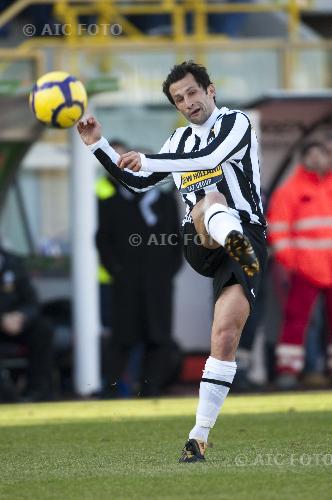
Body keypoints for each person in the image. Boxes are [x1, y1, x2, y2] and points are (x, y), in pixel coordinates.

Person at [77, 60, 267, 462]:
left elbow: (209, 157)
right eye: (179, 99)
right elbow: (136, 179)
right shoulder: (177, 141)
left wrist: (149, 160)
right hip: (199, 238)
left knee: (225, 336)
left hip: (246, 232)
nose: (187, 102)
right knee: (210, 200)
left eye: (193, 93)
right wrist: (99, 145)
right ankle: (230, 238)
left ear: (210, 90)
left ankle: (197, 439)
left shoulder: (237, 122)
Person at [95, 140, 182, 398]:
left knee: (158, 337)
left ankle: (150, 388)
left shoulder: (166, 202)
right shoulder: (113, 202)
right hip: (126, 282)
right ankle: (110, 389)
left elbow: (177, 240)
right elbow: (103, 241)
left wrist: (167, 272)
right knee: (122, 337)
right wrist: (117, 271)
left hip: (158, 283)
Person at [267, 141, 332, 389]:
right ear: (303, 159)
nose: (317, 160)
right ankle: (288, 371)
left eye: (321, 155)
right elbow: (279, 230)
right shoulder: (290, 190)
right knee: (296, 320)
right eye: (312, 155)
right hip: (306, 268)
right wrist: (292, 262)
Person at [0, 246, 54, 401]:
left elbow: (32, 301)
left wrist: (21, 316)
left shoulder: (13, 263)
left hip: (15, 324)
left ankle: (37, 391)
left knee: (43, 329)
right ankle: (6, 395)